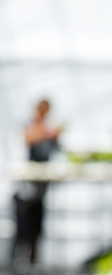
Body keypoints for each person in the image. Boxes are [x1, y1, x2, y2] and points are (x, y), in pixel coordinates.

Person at [11, 98, 62, 265]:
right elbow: (28, 138)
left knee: (36, 228)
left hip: (40, 189)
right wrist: (48, 133)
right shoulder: (31, 126)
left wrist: (54, 136)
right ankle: (16, 262)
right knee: (22, 229)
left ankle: (33, 262)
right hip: (26, 188)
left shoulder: (49, 129)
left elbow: (57, 149)